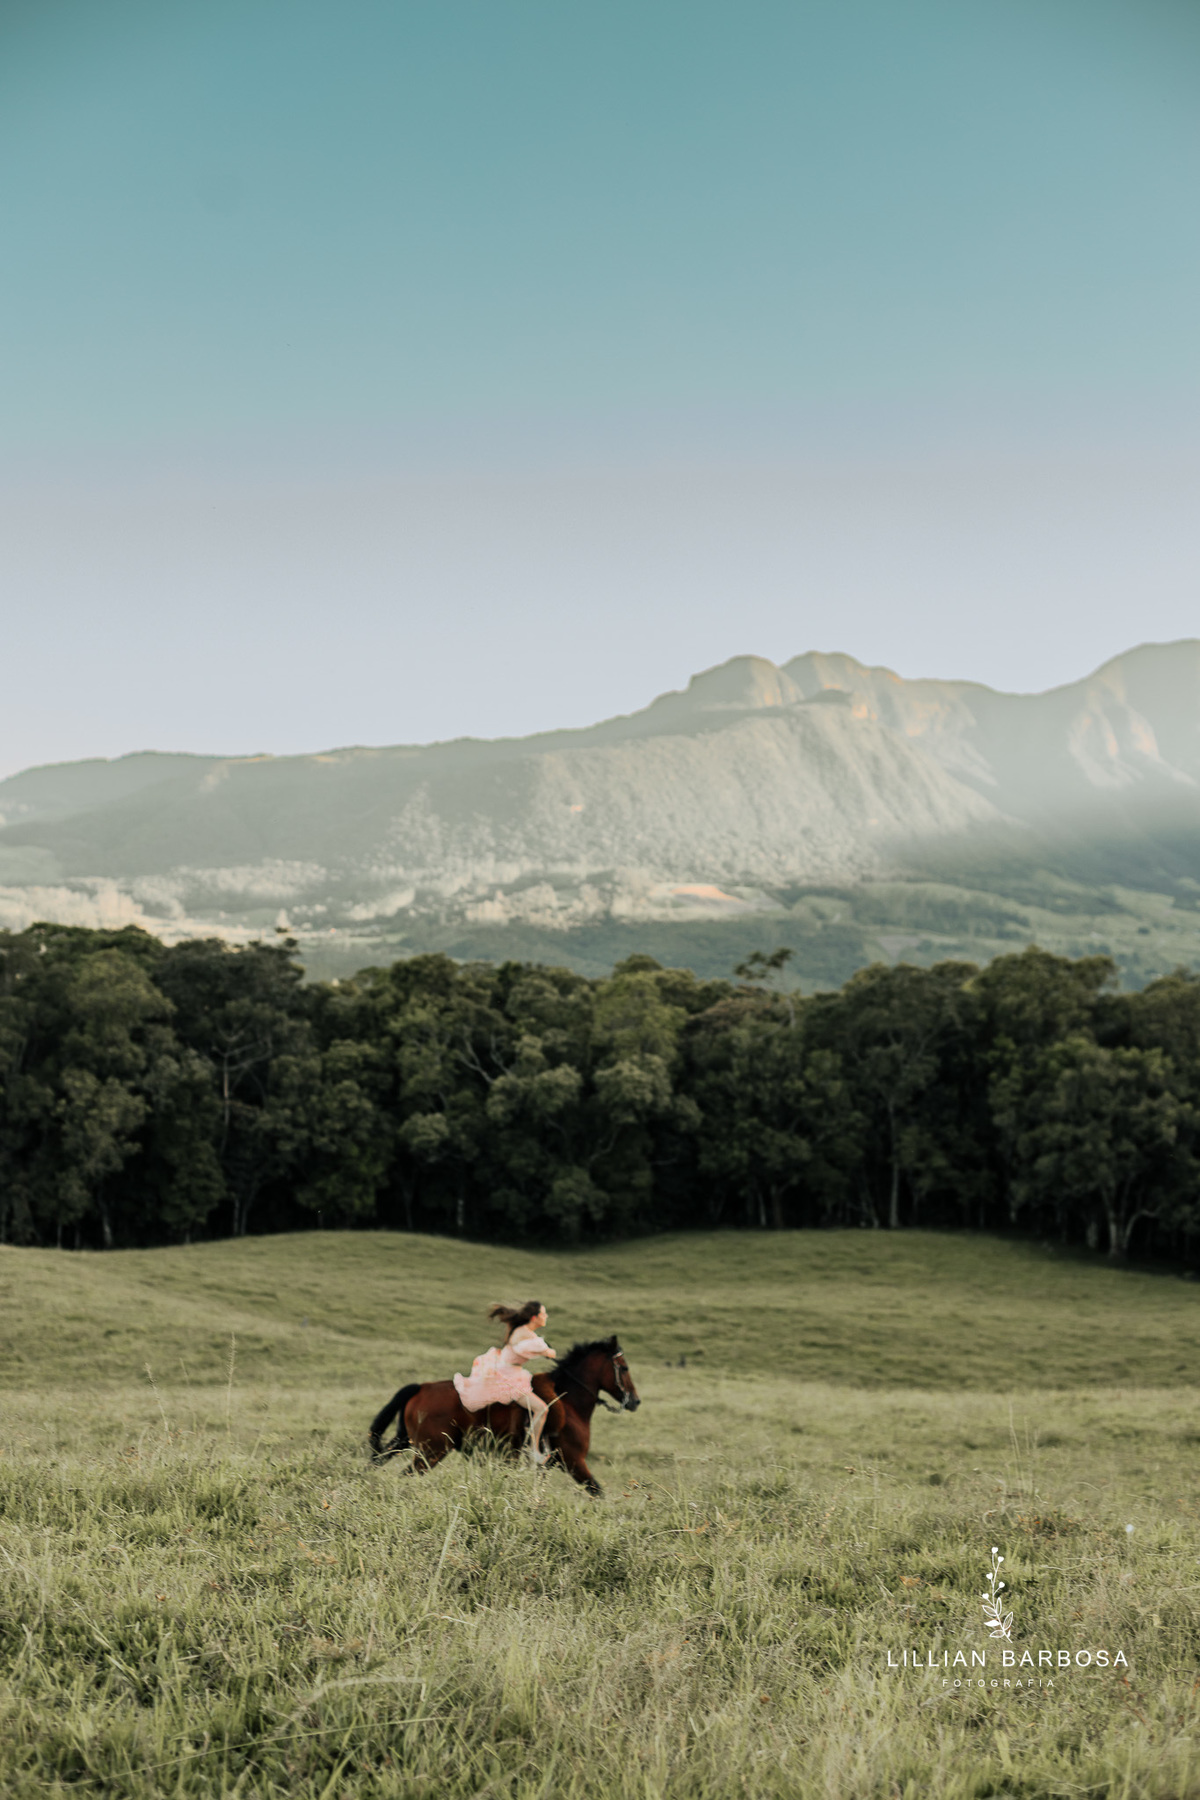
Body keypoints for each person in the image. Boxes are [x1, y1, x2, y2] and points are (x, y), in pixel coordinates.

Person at [453, 1301, 558, 1465]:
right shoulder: (527, 1335)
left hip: (507, 1369)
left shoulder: (523, 1331)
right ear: (535, 1317)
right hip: (508, 1376)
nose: (546, 1317)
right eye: (544, 1314)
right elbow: (547, 1351)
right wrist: (550, 1352)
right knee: (541, 1409)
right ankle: (534, 1451)